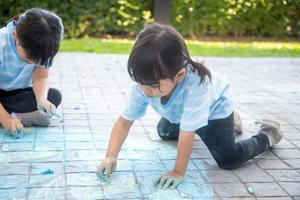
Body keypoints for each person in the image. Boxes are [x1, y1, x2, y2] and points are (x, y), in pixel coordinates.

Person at [97, 23, 282, 189]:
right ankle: (229, 122)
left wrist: (178, 171)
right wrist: (111, 156)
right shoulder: (146, 82)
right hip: (183, 112)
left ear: (178, 76)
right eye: (139, 82)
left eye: (153, 85)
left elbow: (187, 132)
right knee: (164, 132)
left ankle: (267, 134)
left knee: (228, 158)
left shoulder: (197, 85)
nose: (144, 90)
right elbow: (124, 122)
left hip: (215, 109)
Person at [0, 8, 64, 136]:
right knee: (7, 117)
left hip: (16, 95)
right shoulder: (1, 44)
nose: (35, 62)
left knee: (54, 96)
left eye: (39, 60)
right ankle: (10, 117)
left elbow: (41, 77)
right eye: (29, 57)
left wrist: (41, 100)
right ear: (15, 35)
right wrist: (6, 120)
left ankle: (13, 116)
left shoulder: (46, 46)